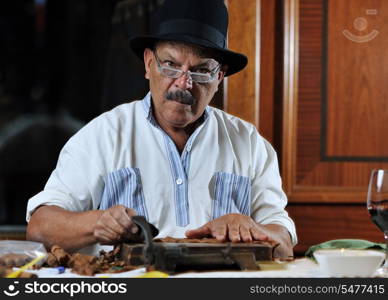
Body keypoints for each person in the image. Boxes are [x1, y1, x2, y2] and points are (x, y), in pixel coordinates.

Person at [26, 0, 297, 258]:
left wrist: (253, 229)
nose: (183, 83)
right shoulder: (103, 136)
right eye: (171, 65)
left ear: (219, 77)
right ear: (148, 63)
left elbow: (283, 243)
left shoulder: (248, 143)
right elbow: (39, 228)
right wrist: (96, 222)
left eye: (201, 70)